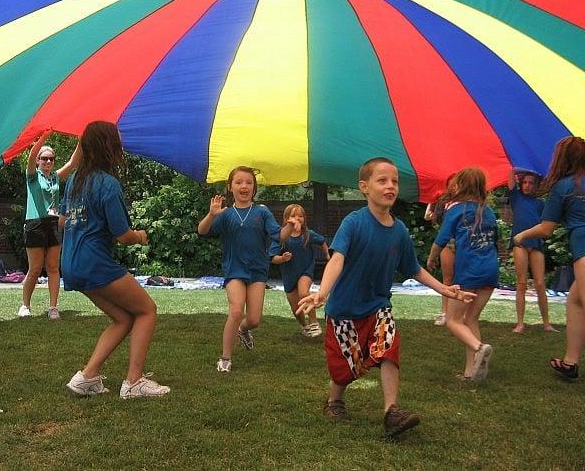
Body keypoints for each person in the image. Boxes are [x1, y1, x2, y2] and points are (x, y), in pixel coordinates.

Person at [297, 158, 474, 437]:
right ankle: (335, 400)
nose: (390, 186)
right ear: (364, 187)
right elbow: (337, 259)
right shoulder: (353, 223)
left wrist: (444, 289)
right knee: (346, 369)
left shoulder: (400, 230)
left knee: (389, 347)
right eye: (382, 180)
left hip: (378, 305)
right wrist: (322, 292)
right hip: (344, 310)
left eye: (394, 181)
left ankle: (391, 412)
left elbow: (413, 268)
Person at [61, 121, 170, 398]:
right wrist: (141, 236)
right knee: (146, 310)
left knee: (122, 318)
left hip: (72, 264)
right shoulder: (108, 184)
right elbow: (122, 235)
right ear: (109, 147)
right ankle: (134, 382)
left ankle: (86, 377)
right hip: (95, 262)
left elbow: (63, 221)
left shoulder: (75, 180)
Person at [198, 166, 296, 373]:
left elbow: (280, 236)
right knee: (235, 311)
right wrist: (211, 214)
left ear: (254, 188)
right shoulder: (225, 214)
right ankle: (225, 358)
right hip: (234, 269)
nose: (244, 186)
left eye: (249, 183)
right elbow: (202, 231)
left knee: (254, 319)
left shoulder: (262, 212)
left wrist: (289, 226)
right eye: (239, 182)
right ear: (230, 187)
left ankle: (243, 330)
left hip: (257, 271)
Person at [514, 136, 585, 380]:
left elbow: (546, 229)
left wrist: (522, 234)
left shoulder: (564, 186)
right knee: (575, 302)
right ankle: (570, 363)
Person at [427, 167, 498, 383]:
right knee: (470, 319)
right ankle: (471, 372)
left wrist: (431, 259)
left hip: (469, 272)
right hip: (490, 271)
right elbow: (496, 239)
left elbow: (441, 239)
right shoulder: (488, 211)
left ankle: (479, 348)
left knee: (453, 320)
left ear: (462, 185)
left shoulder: (456, 210)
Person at [19, 130, 81, 320]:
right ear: (38, 161)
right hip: (35, 224)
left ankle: (53, 307)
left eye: (51, 159)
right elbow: (30, 156)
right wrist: (44, 137)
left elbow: (72, 163)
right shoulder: (32, 176)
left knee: (53, 267)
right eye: (44, 158)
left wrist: (82, 139)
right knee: (35, 268)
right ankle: (25, 305)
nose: (48, 162)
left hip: (54, 223)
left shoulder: (55, 177)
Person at [269, 204, 330, 337]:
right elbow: (273, 258)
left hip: (305, 271)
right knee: (296, 308)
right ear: (286, 219)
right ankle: (305, 326)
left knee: (303, 293)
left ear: (304, 219)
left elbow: (322, 242)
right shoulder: (281, 237)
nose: (297, 218)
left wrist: (327, 254)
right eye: (293, 215)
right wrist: (283, 258)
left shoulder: (308, 234)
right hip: (289, 274)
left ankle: (314, 323)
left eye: (300, 216)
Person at [507, 168, 556, 333]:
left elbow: (545, 225)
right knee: (521, 283)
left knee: (540, 283)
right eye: (525, 182)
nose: (527, 186)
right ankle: (520, 323)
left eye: (531, 183)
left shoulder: (540, 203)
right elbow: (511, 173)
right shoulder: (516, 197)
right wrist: (524, 168)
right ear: (521, 184)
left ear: (536, 186)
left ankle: (546, 323)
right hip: (519, 244)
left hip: (535, 243)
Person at [424, 174, 457, 326]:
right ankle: (445, 312)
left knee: (463, 279)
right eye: (451, 184)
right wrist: (431, 201)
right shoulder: (442, 201)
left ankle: (459, 313)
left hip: (463, 242)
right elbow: (428, 216)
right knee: (448, 279)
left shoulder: (467, 202)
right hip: (447, 242)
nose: (454, 186)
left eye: (457, 183)